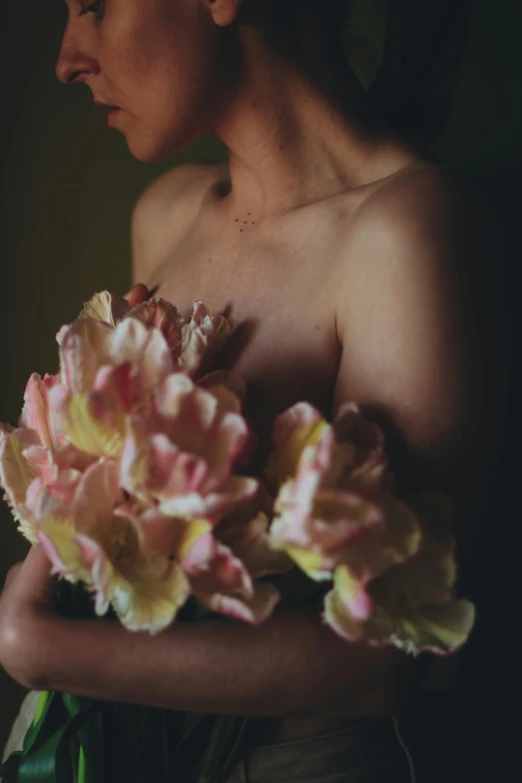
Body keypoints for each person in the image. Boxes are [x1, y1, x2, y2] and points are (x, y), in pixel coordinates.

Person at [0, 1, 498, 781]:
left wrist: (50, 652)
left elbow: (388, 659)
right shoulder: (162, 219)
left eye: (95, 5)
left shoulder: (400, 233)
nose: (68, 58)